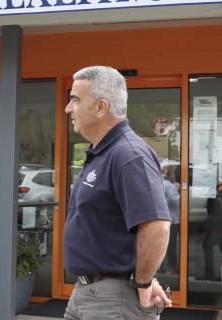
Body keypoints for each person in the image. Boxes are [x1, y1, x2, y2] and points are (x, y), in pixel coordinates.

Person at [63, 66, 172, 320]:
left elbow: (156, 226)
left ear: (101, 107)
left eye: (75, 100)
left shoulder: (128, 155)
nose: (68, 108)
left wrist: (143, 282)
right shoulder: (103, 152)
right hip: (88, 293)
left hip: (112, 300)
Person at [198, 182, 222, 281]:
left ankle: (210, 273)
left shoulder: (220, 188)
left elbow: (215, 205)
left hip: (217, 220)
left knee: (208, 245)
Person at [161, 162, 180, 274]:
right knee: (170, 244)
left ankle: (160, 267)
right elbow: (175, 200)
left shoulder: (165, 183)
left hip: (163, 219)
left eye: (168, 168)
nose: (166, 171)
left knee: (162, 244)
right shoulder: (167, 184)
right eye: (165, 168)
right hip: (172, 219)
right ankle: (173, 266)